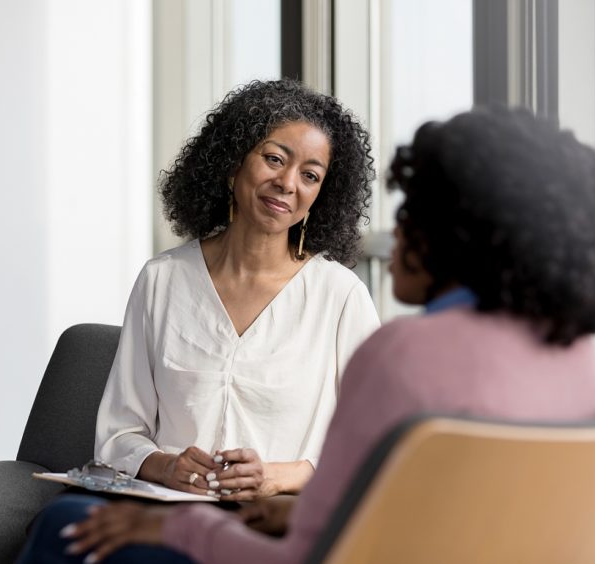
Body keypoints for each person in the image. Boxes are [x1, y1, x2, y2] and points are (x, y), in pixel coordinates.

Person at [18, 105, 595, 564]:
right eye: (275, 159)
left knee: (65, 525)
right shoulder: (578, 355)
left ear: (462, 234)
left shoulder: (399, 350)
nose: (391, 241)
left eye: (411, 215)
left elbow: (317, 547)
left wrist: (177, 528)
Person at [93, 78, 380, 503]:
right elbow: (119, 434)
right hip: (163, 509)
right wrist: (166, 466)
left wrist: (278, 477)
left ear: (322, 194)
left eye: (310, 175)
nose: (287, 183)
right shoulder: (162, 280)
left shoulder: (340, 297)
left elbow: (375, 443)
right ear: (232, 164)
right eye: (273, 158)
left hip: (275, 519)